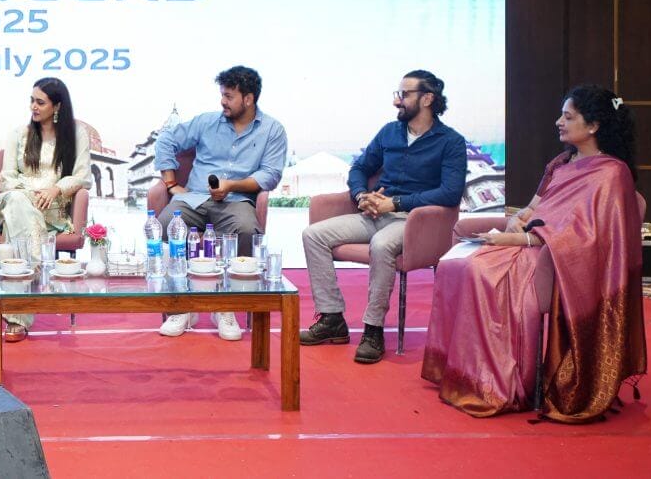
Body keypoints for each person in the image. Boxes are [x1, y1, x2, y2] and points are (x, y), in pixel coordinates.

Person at [422, 85, 646, 421]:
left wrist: (520, 239)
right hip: (529, 244)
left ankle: (498, 384)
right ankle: (460, 372)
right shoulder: (562, 163)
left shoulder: (612, 173)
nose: (558, 122)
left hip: (556, 261)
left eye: (567, 117)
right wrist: (516, 221)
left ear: (593, 126)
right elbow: (533, 208)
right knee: (456, 264)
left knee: (482, 274)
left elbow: (589, 239)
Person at [300, 70, 466, 364]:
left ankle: (373, 329)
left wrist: (396, 203)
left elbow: (450, 193)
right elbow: (359, 168)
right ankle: (332, 318)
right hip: (375, 213)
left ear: (427, 99)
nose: (397, 101)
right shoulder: (389, 132)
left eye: (404, 95)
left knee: (381, 244)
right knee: (313, 235)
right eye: (397, 94)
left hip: (415, 222)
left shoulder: (451, 141)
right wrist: (361, 196)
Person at [154, 66, 288, 341]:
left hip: (237, 201)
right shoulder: (207, 122)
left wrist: (231, 186)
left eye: (228, 96)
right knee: (165, 224)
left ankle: (225, 305)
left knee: (247, 230)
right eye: (222, 95)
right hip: (195, 198)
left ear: (248, 99)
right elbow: (166, 139)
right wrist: (170, 183)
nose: (222, 101)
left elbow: (270, 174)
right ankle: (183, 305)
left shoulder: (272, 130)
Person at [0, 77, 92, 343]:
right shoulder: (18, 134)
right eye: (32, 100)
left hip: (52, 209)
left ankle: (18, 308)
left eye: (40, 102)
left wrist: (56, 189)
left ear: (57, 106)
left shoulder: (76, 134)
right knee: (18, 204)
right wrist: (28, 195)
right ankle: (29, 293)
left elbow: (83, 176)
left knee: (21, 216)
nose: (33, 106)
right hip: (14, 200)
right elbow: (6, 178)